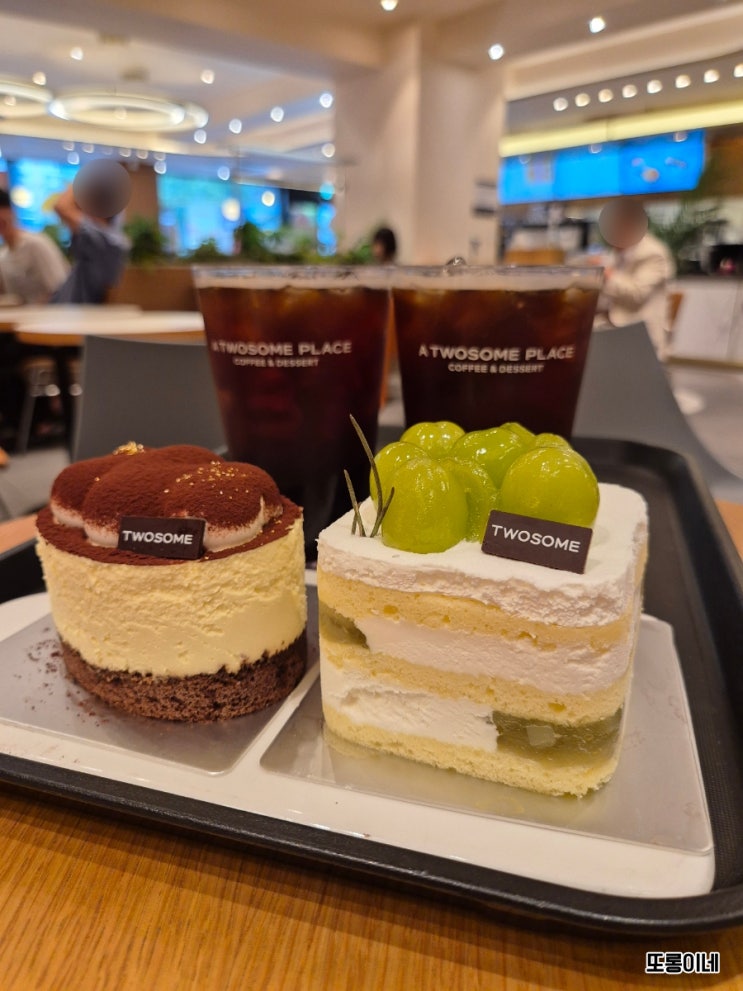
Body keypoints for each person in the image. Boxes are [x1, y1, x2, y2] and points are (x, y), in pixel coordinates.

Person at [596, 200, 675, 357]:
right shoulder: (617, 252)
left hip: (639, 333)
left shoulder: (652, 253)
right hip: (610, 326)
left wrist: (607, 274)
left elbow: (636, 294)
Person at [51, 172, 130, 304]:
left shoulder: (100, 238)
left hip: (79, 311)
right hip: (74, 309)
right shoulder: (113, 240)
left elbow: (61, 207)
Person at [0, 189, 70, 303]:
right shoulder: (3, 255)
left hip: (52, 312)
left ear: (11, 211)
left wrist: (34, 308)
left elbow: (60, 287)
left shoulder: (35, 244)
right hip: (23, 314)